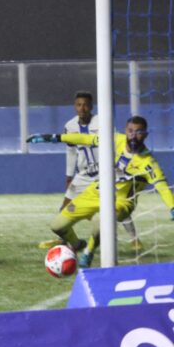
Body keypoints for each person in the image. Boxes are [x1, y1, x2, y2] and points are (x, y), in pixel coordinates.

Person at [27, 115, 174, 268]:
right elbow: (86, 139)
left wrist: (172, 206)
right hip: (96, 193)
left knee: (101, 221)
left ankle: (88, 252)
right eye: (130, 131)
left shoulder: (149, 163)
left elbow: (162, 186)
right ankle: (77, 244)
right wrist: (54, 137)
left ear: (145, 134)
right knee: (57, 226)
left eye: (139, 132)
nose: (133, 135)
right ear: (125, 130)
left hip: (122, 202)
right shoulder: (115, 140)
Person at [37, 91, 141, 249]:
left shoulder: (102, 122)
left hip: (105, 172)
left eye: (85, 105)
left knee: (116, 205)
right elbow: (71, 152)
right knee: (64, 208)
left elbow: (116, 145)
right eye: (79, 105)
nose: (82, 108)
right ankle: (67, 240)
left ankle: (135, 240)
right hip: (84, 175)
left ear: (91, 106)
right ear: (74, 106)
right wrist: (69, 176)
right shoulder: (70, 126)